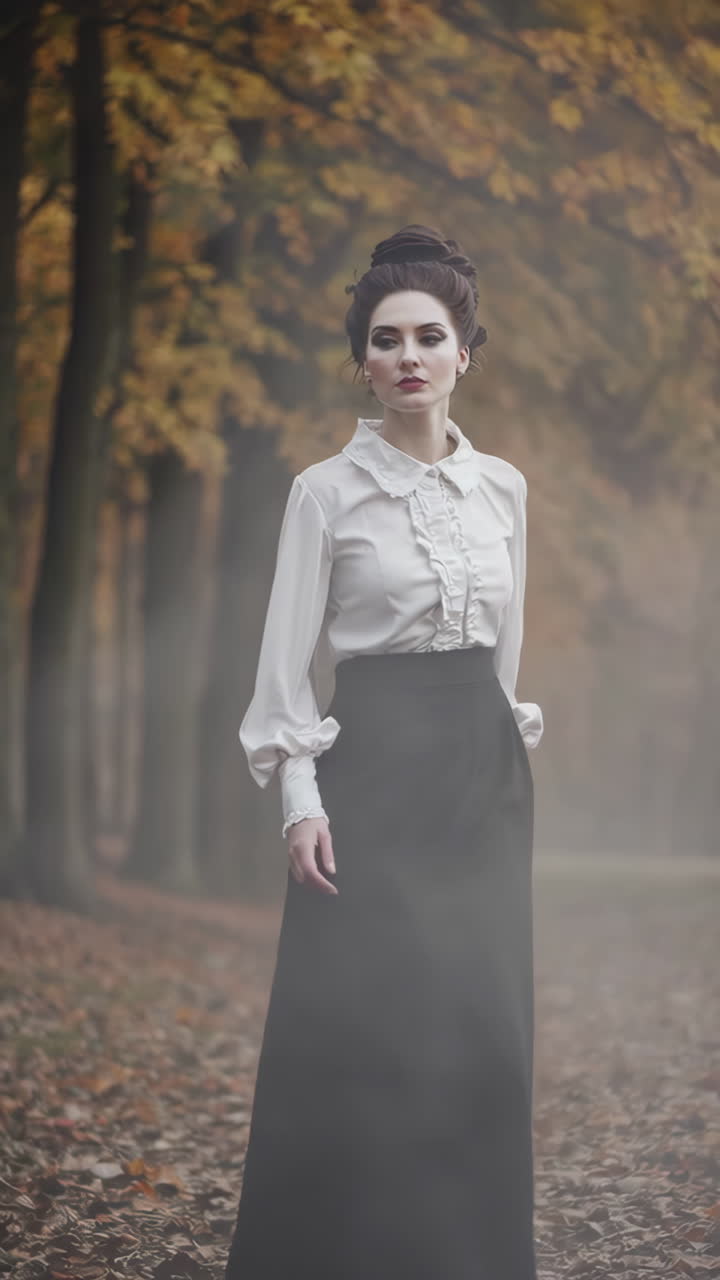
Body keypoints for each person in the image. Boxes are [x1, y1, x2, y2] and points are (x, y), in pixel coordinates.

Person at [223, 223, 544, 1280]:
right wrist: (300, 801)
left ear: (465, 353)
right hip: (371, 778)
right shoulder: (325, 492)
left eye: (429, 335)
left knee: (482, 1041)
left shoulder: (505, 489)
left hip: (481, 779)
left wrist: (510, 764)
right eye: (386, 338)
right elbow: (286, 673)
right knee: (371, 1040)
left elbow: (505, 654)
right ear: (362, 359)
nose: (408, 354)